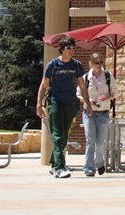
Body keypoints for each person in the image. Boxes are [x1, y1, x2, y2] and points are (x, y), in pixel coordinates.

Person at [36, 36, 88, 178]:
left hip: (71, 103)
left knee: (64, 135)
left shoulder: (76, 65)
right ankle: (59, 167)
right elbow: (43, 86)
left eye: (73, 48)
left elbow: (82, 86)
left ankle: (53, 163)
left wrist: (88, 104)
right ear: (62, 49)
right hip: (55, 102)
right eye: (68, 48)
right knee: (58, 135)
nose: (71, 50)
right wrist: (39, 105)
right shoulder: (53, 65)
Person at [82, 52, 116, 177]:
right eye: (97, 63)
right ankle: (88, 168)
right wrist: (88, 100)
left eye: (101, 62)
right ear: (90, 64)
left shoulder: (108, 76)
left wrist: (106, 97)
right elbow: (79, 94)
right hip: (89, 112)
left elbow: (115, 93)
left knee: (100, 142)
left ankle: (99, 162)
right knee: (90, 140)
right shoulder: (85, 78)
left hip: (103, 112)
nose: (99, 65)